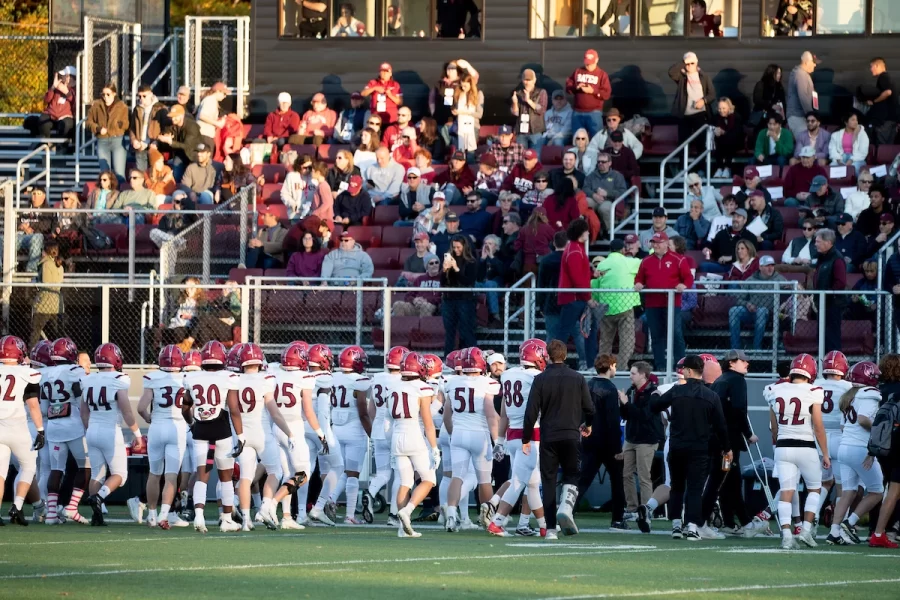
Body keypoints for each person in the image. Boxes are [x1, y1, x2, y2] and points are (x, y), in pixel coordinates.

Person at [650, 354, 730, 540]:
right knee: (695, 488)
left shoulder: (677, 391)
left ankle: (676, 525)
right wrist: (727, 448)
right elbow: (721, 426)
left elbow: (654, 407)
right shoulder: (711, 396)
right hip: (699, 448)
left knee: (676, 487)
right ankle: (692, 526)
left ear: (688, 370)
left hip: (677, 445)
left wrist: (654, 393)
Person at [522, 339, 594, 540]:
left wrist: (526, 438)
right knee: (572, 475)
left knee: (548, 481)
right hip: (571, 434)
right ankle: (566, 508)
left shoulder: (541, 379)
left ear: (547, 356)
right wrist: (588, 424)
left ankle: (551, 528)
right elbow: (589, 408)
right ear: (565, 355)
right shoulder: (578, 378)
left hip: (549, 436)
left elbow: (531, 413)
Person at [762, 354, 829, 549]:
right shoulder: (813, 390)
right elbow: (818, 426)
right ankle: (806, 531)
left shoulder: (774, 390)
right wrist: (825, 453)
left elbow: (773, 427)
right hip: (806, 446)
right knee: (815, 489)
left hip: (783, 446)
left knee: (786, 492)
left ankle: (786, 535)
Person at [486, 340, 549, 536]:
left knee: (531, 483)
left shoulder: (508, 375)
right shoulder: (538, 377)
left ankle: (543, 526)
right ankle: (496, 522)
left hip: (512, 435)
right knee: (519, 482)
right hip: (531, 435)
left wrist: (500, 441)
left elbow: (504, 413)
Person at [181, 341, 244, 532]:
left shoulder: (191, 378)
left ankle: (199, 517)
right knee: (226, 477)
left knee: (202, 475)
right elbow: (234, 409)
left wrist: (192, 423)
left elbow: (185, 407)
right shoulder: (229, 377)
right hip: (221, 429)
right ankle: (226, 519)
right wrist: (240, 436)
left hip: (200, 428)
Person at [80, 343, 143, 526]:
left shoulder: (88, 379)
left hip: (92, 430)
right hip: (110, 431)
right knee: (120, 475)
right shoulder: (119, 379)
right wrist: (137, 434)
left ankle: (96, 515)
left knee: (97, 475)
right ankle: (99, 497)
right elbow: (126, 411)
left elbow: (84, 412)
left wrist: (89, 429)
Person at [441, 347, 498, 532]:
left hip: (458, 433)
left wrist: (452, 434)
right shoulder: (487, 383)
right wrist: (497, 440)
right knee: (484, 480)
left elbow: (446, 415)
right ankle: (488, 520)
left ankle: (450, 515)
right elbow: (490, 414)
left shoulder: (452, 382)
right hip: (479, 435)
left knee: (457, 476)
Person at [707, 350, 762, 537]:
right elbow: (739, 410)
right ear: (732, 362)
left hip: (716, 438)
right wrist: (748, 433)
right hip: (728, 441)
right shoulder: (737, 380)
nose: (747, 363)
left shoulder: (720, 381)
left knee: (728, 480)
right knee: (721, 480)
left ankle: (732, 522)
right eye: (743, 360)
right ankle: (699, 521)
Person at [576, 353, 626, 528]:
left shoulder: (588, 385)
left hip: (589, 440)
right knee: (617, 480)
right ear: (611, 365)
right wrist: (618, 448)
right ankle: (617, 518)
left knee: (583, 480)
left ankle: (568, 511)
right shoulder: (610, 389)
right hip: (607, 443)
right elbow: (612, 421)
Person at [635, 231, 694, 370]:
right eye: (653, 242)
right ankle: (660, 366)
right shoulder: (646, 261)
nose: (655, 245)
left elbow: (688, 278)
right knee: (656, 336)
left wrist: (683, 285)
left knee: (676, 334)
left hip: (672, 303)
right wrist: (638, 283)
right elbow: (639, 278)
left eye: (658, 242)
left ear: (667, 243)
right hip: (652, 304)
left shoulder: (678, 259)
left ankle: (680, 366)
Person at [618, 361, 663, 519]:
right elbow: (625, 415)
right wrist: (622, 405)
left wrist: (626, 404)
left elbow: (644, 415)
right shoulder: (632, 391)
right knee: (626, 474)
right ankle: (631, 508)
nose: (630, 376)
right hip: (632, 438)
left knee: (644, 476)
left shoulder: (653, 393)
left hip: (647, 439)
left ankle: (646, 510)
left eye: (633, 373)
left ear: (643, 375)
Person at [593, 239, 640, 368]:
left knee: (605, 341)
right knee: (627, 341)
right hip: (625, 306)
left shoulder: (602, 265)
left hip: (606, 307)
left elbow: (596, 285)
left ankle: (603, 368)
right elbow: (645, 263)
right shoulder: (629, 262)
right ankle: (621, 368)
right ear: (623, 250)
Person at [728, 255, 786, 349]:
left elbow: (791, 290)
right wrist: (747, 304)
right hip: (750, 311)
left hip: (768, 313)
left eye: (772, 265)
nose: (770, 268)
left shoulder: (779, 279)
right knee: (733, 311)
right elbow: (738, 299)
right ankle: (735, 348)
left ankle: (757, 348)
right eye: (767, 266)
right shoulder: (751, 279)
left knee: (761, 311)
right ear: (760, 267)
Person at [556, 220, 592, 370]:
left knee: (568, 332)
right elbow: (577, 279)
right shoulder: (575, 250)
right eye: (586, 230)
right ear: (580, 232)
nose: (588, 233)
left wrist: (592, 273)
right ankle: (557, 361)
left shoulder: (574, 248)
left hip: (574, 298)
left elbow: (579, 275)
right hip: (575, 299)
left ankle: (556, 361)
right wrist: (588, 298)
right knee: (568, 333)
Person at [440, 235, 478, 355]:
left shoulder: (471, 261)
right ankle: (448, 358)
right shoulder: (449, 260)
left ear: (464, 247)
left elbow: (468, 281)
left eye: (458, 247)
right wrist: (445, 270)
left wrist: (456, 268)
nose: (456, 249)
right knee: (449, 331)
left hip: (465, 300)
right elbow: (443, 282)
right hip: (449, 299)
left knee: (466, 330)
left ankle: (472, 357)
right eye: (454, 247)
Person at [669, 52, 715, 145]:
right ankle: (683, 160)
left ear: (696, 63)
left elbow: (712, 94)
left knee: (701, 143)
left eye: (692, 63)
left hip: (700, 114)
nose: (689, 66)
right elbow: (671, 72)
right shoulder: (681, 77)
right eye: (687, 64)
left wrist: (703, 101)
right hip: (684, 115)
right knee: (683, 143)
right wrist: (684, 62)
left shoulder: (704, 76)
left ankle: (701, 160)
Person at [813, 229, 847, 353]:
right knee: (822, 337)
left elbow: (840, 282)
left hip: (832, 305)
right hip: (823, 304)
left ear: (828, 242)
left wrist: (825, 294)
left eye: (818, 241)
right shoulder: (822, 258)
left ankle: (835, 367)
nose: (815, 244)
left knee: (832, 338)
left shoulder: (837, 259)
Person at [565, 49, 611, 139]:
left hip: (594, 112)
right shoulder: (578, 71)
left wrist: (593, 91)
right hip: (577, 112)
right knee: (577, 140)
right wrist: (576, 87)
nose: (588, 65)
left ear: (597, 60)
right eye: (587, 63)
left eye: (591, 63)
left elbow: (606, 94)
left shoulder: (602, 75)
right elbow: (568, 87)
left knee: (597, 140)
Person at [1, 187, 49, 273]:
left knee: (38, 237)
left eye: (38, 194)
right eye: (34, 194)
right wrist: (21, 226)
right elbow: (14, 221)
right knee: (1, 239)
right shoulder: (23, 208)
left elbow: (45, 226)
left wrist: (29, 227)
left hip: (34, 237)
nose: (35, 197)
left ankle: (31, 270)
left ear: (44, 196)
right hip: (19, 236)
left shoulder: (48, 211)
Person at [86, 82, 129, 180]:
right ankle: (107, 194)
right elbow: (88, 122)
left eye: (108, 94)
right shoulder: (96, 105)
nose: (105, 97)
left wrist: (118, 125)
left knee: (119, 174)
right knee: (105, 174)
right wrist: (97, 128)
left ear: (114, 94)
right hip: (102, 141)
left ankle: (120, 194)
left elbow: (126, 124)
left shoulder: (122, 106)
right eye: (103, 94)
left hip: (117, 140)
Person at [583, 108, 644, 174]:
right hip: (605, 166)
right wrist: (598, 156)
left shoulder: (625, 132)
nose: (611, 121)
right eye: (609, 120)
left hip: (621, 165)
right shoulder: (601, 134)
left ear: (619, 120)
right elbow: (591, 148)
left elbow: (638, 145)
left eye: (614, 119)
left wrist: (630, 157)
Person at [583, 152, 627, 236]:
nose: (600, 164)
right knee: (586, 203)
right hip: (594, 198)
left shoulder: (617, 176)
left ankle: (609, 231)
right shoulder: (591, 175)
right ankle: (589, 230)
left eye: (603, 162)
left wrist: (607, 193)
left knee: (605, 208)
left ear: (609, 163)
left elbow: (622, 191)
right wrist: (593, 195)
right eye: (599, 162)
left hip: (609, 200)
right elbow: (585, 188)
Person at [30, 243, 64, 346]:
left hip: (45, 303)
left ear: (45, 251)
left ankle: (31, 352)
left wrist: (35, 280)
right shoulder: (59, 265)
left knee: (35, 330)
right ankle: (60, 351)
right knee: (56, 332)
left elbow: (46, 282)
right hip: (57, 303)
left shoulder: (46, 264)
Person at [156, 105, 202, 182]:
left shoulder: (192, 126)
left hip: (194, 154)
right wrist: (160, 139)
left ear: (182, 115)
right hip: (180, 153)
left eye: (175, 116)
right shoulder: (170, 124)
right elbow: (165, 135)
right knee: (176, 173)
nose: (173, 119)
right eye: (171, 116)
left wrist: (170, 141)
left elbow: (187, 146)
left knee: (194, 178)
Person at [703, 208, 757, 273]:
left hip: (739, 267)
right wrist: (707, 248)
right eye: (734, 216)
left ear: (745, 220)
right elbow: (712, 246)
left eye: (738, 217)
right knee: (704, 266)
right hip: (721, 265)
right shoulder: (722, 233)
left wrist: (731, 258)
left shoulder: (750, 236)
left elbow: (751, 255)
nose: (735, 219)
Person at [859, 57, 897, 145]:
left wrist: (875, 101)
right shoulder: (889, 78)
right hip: (892, 118)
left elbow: (888, 92)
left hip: (885, 120)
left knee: (881, 145)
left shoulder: (883, 77)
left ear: (877, 66)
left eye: (871, 66)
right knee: (888, 149)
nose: (870, 69)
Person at [538, 232, 567, 342]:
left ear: (554, 243)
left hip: (551, 301)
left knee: (551, 334)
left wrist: (541, 304)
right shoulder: (571, 259)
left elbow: (541, 284)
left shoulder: (546, 260)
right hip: (570, 301)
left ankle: (552, 358)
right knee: (577, 333)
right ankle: (583, 359)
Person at [130, 85, 167, 172]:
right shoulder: (137, 109)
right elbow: (132, 128)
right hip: (140, 145)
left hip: (154, 145)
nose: (141, 98)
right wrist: (134, 140)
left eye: (144, 96)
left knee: (154, 173)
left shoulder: (160, 108)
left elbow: (165, 129)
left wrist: (157, 141)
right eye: (139, 96)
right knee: (141, 174)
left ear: (151, 95)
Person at [511, 69, 548, 152]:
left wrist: (528, 101)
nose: (527, 82)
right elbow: (515, 113)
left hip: (536, 131)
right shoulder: (518, 93)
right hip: (521, 131)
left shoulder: (541, 92)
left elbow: (542, 110)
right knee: (521, 158)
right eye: (525, 80)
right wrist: (515, 103)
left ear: (534, 80)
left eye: (529, 80)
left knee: (536, 157)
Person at [36, 66, 76, 141]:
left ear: (70, 78)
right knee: (43, 120)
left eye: (65, 76)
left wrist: (67, 93)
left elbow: (75, 103)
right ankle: (44, 144)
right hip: (51, 115)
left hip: (65, 117)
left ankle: (62, 147)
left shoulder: (76, 90)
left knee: (66, 125)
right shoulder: (57, 88)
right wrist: (53, 87)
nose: (62, 77)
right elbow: (46, 100)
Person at [786, 51, 818, 140]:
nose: (815, 65)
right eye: (813, 63)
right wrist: (811, 115)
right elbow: (803, 97)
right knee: (806, 143)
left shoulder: (801, 74)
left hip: (799, 116)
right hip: (798, 116)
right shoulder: (800, 75)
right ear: (806, 62)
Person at [712, 97, 744, 178]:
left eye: (724, 108)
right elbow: (712, 127)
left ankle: (727, 168)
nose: (721, 110)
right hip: (721, 142)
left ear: (729, 107)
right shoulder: (716, 117)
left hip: (736, 141)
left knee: (728, 141)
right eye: (719, 108)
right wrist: (715, 130)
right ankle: (719, 168)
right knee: (718, 141)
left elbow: (737, 133)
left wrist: (724, 133)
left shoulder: (736, 117)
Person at [751, 64, 786, 134]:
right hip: (762, 117)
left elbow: (783, 102)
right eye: (777, 73)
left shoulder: (779, 87)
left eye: (780, 73)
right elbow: (757, 99)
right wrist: (771, 105)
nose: (779, 75)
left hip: (776, 117)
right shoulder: (761, 84)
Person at [195, 82, 227, 149]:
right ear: (218, 91)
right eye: (224, 93)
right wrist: (218, 123)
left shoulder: (210, 100)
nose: (225, 96)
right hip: (204, 135)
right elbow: (202, 115)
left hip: (205, 135)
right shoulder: (210, 100)